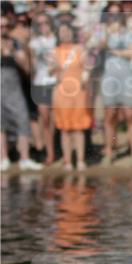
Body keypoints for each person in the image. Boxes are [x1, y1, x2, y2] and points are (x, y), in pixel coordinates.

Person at [99, 11, 132, 165]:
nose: (115, 19)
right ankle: (109, 152)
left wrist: (114, 51)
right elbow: (100, 45)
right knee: (110, 116)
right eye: (112, 17)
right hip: (109, 78)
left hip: (128, 78)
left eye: (117, 16)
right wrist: (107, 33)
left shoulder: (131, 34)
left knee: (131, 115)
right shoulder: (104, 33)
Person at [1, 14, 42, 171]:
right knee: (0, 124)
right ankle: (3, 158)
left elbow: (27, 69)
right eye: (1, 26)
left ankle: (24, 158)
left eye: (6, 26)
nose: (4, 29)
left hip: (14, 88)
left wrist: (15, 54)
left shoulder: (15, 43)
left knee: (23, 119)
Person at [51, 22, 91, 171]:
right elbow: (51, 72)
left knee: (79, 128)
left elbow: (87, 67)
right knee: (65, 129)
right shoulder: (54, 51)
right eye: (62, 31)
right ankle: (67, 161)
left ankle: (80, 160)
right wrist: (54, 67)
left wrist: (86, 74)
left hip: (79, 92)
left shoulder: (80, 49)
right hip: (61, 92)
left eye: (67, 31)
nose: (65, 34)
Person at [27, 12, 57, 166]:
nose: (43, 26)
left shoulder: (57, 39)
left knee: (55, 120)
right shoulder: (34, 43)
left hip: (56, 82)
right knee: (45, 119)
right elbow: (32, 64)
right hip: (40, 82)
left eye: (46, 22)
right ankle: (49, 154)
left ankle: (56, 150)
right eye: (40, 24)